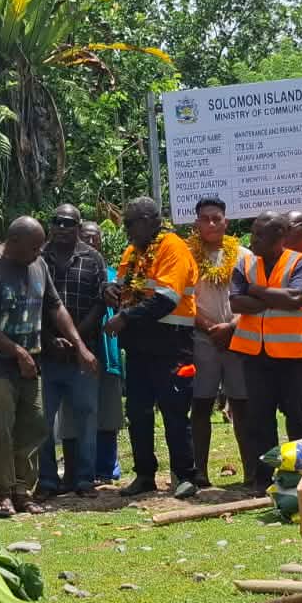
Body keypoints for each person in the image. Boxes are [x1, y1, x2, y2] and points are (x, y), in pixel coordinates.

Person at [0, 217, 96, 515]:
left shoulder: (38, 265)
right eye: (34, 247)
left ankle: (23, 490)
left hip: (31, 363)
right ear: (13, 243)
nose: (39, 252)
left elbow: (55, 307)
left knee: (35, 424)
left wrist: (80, 346)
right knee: (0, 429)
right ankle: (3, 493)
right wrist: (16, 352)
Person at [104, 197, 200, 499]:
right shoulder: (134, 251)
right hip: (139, 346)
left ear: (149, 220)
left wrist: (125, 317)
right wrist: (110, 290)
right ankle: (145, 474)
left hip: (171, 343)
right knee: (138, 411)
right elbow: (123, 284)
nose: (127, 230)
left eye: (130, 223)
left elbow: (166, 299)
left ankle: (185, 476)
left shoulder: (174, 247)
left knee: (174, 410)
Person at [228, 212, 302, 488]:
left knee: (299, 419)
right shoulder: (244, 262)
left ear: (279, 238)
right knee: (259, 419)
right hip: (255, 354)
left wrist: (255, 290)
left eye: (259, 235)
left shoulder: (300, 262)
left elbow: (296, 298)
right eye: (253, 233)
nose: (252, 240)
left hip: (293, 356)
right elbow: (236, 303)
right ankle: (263, 479)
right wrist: (271, 297)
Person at [38, 205, 107, 496]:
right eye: (57, 221)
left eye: (68, 222)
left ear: (78, 226)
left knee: (86, 416)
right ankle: (47, 480)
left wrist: (75, 339)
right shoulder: (37, 257)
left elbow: (101, 300)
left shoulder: (93, 258)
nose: (62, 227)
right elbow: (32, 303)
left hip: (84, 353)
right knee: (43, 419)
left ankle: (84, 479)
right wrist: (51, 338)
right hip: (46, 351)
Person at [187, 196, 251, 489]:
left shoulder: (243, 255)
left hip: (239, 337)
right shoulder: (188, 255)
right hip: (203, 338)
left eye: (217, 218)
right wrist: (212, 328)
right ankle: (199, 472)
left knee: (242, 404)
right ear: (197, 223)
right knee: (201, 405)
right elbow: (185, 299)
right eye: (205, 219)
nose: (211, 224)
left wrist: (232, 326)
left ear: (226, 221)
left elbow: (252, 296)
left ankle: (252, 470)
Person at [76, 219, 124, 483]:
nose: (91, 242)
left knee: (108, 412)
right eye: (86, 237)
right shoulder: (72, 272)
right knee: (83, 411)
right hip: (81, 351)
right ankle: (83, 467)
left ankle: (106, 467)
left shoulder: (115, 274)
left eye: (95, 238)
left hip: (109, 352)